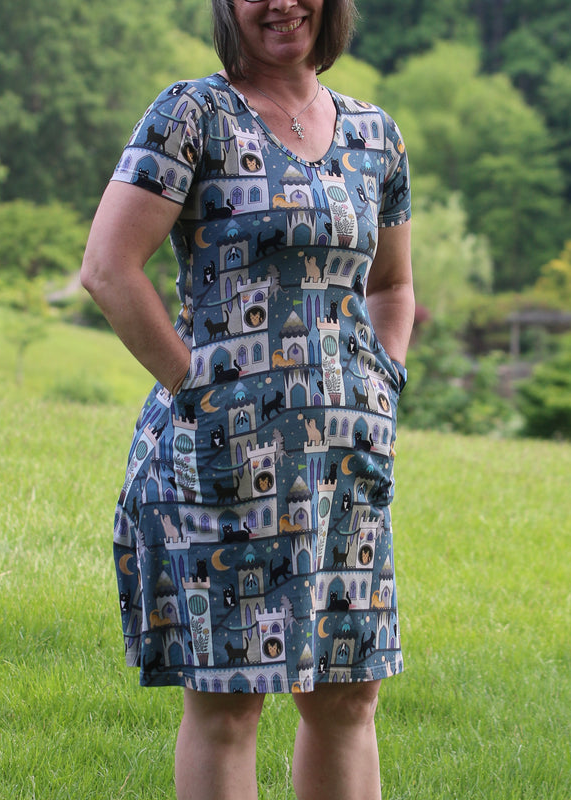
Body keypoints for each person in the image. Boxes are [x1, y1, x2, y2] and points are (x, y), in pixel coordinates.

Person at [80, 1, 414, 797]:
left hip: (344, 470)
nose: (281, 3)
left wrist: (383, 380)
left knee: (347, 696)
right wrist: (196, 388)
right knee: (230, 705)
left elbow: (392, 284)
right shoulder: (193, 115)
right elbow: (108, 268)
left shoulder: (376, 134)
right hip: (221, 461)